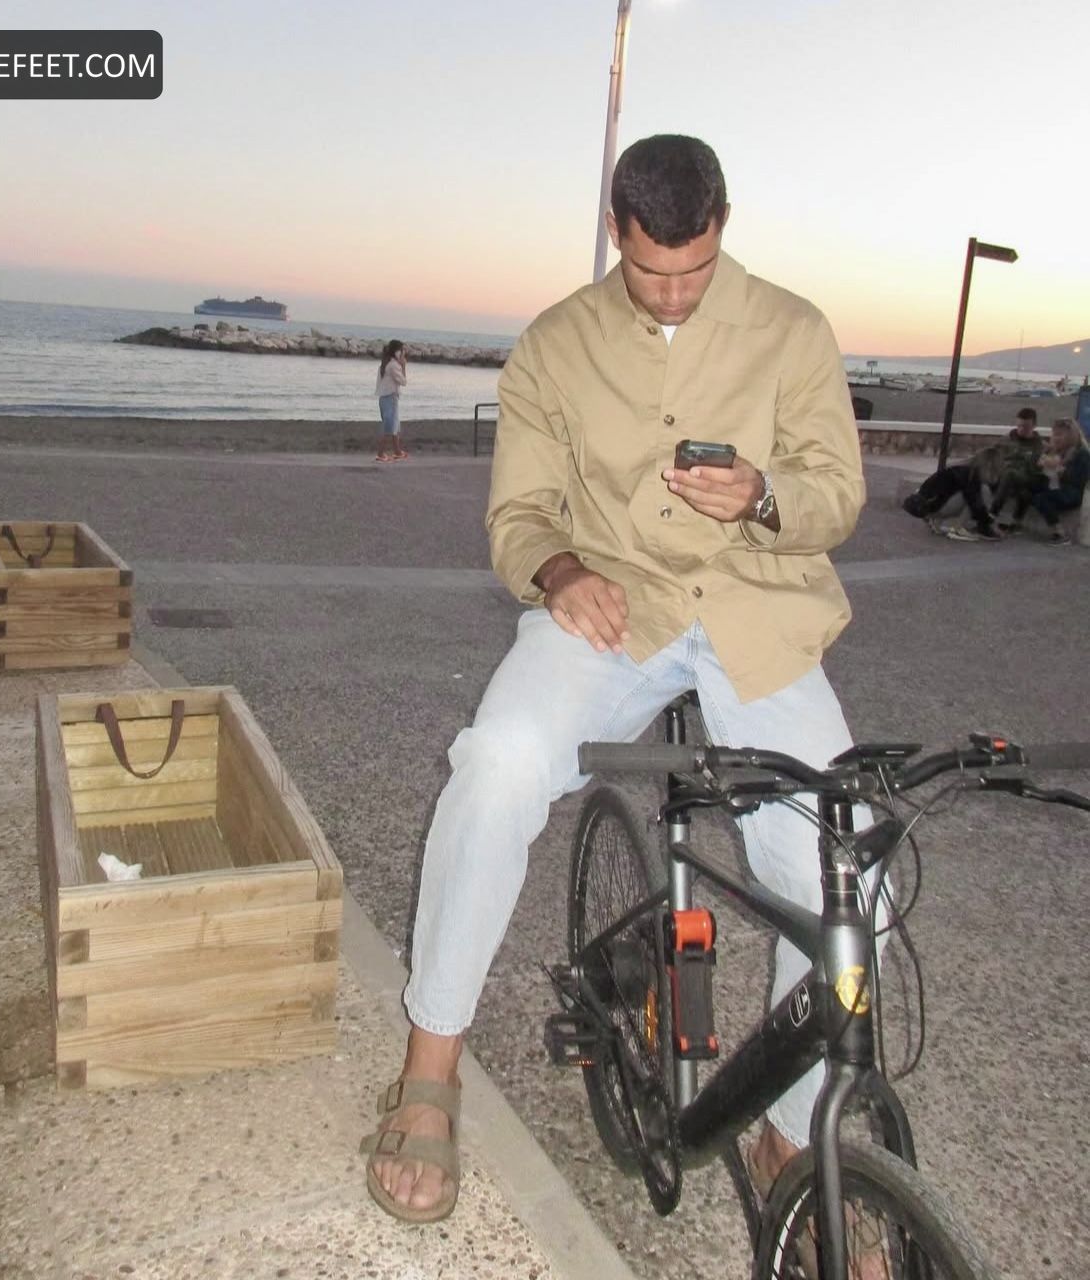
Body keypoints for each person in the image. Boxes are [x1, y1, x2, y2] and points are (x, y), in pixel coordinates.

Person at [360, 133, 878, 1261]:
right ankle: (429, 1067)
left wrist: (763, 494)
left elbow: (838, 495)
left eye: (694, 270)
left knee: (852, 865)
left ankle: (786, 1135)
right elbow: (520, 517)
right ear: (615, 232)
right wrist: (560, 572)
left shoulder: (794, 329)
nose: (673, 292)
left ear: (723, 226)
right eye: (649, 270)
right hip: (611, 610)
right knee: (496, 762)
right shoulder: (555, 344)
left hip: (756, 614)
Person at [902, 409, 1042, 540]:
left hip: (923, 503)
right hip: (928, 506)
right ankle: (958, 528)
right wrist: (988, 523)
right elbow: (975, 502)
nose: (1021, 429)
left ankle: (935, 520)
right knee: (982, 492)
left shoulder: (963, 467)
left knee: (971, 492)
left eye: (1026, 427)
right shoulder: (971, 473)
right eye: (1019, 426)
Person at [1000, 417, 1089, 543]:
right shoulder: (1053, 450)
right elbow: (1042, 472)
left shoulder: (1081, 454)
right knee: (1026, 486)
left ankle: (1059, 532)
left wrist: (1060, 470)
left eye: (1059, 435)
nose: (1055, 438)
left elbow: (1078, 481)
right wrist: (1039, 465)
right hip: (1054, 486)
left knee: (1040, 498)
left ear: (1070, 436)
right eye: (1054, 434)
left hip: (1071, 492)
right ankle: (1016, 522)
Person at [375, 340, 408, 461]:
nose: (403, 353)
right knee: (389, 427)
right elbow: (403, 381)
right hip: (390, 398)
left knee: (394, 426)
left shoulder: (384, 364)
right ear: (397, 351)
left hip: (383, 398)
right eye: (402, 350)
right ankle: (380, 454)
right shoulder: (393, 366)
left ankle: (397, 451)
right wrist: (403, 366)